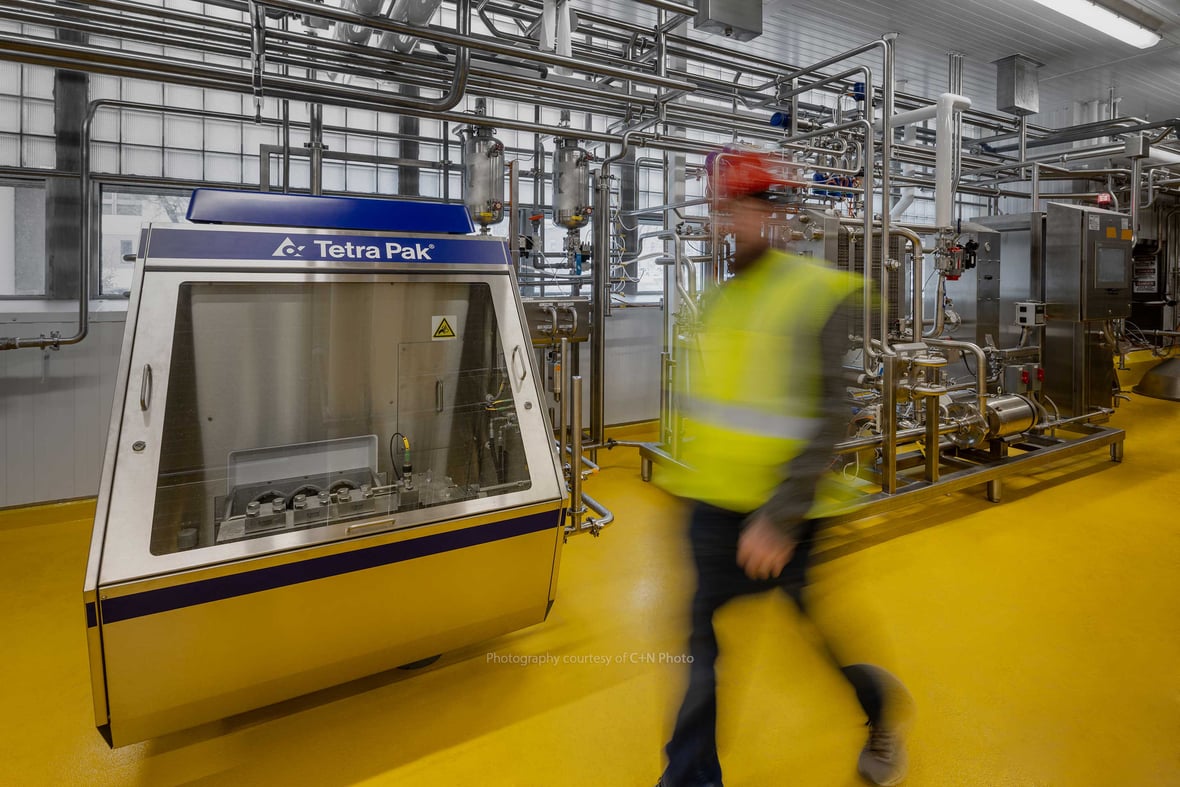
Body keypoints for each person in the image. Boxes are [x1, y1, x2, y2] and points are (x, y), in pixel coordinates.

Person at [655, 151, 913, 787]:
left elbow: (831, 414)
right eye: (723, 210)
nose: (729, 223)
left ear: (774, 215)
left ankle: (880, 711)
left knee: (817, 633)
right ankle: (689, 779)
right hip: (712, 506)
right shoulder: (717, 302)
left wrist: (780, 514)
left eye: (741, 208)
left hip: (784, 513)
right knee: (701, 652)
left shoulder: (818, 294)